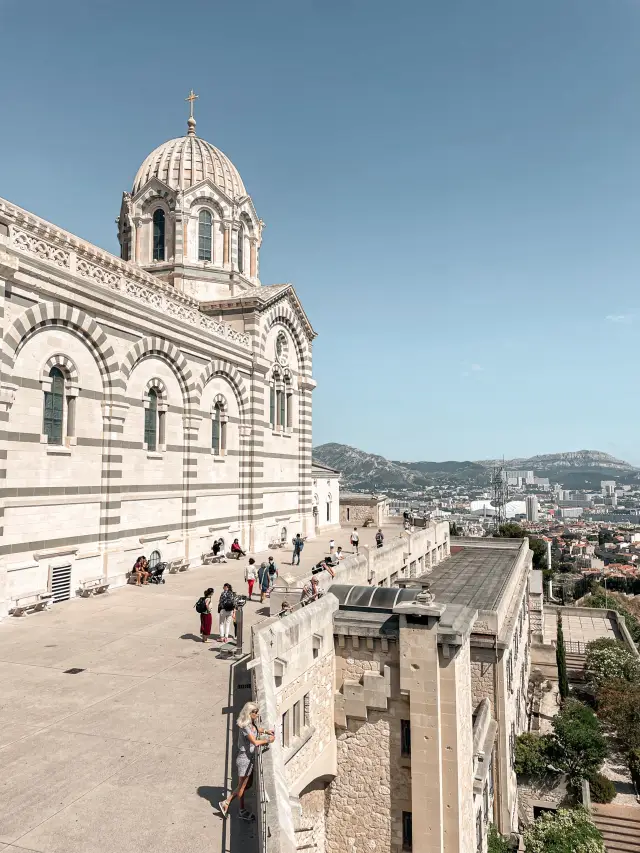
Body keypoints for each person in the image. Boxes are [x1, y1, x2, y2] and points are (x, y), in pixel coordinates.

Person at [219, 702, 275, 821]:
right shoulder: (245, 726)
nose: (257, 714)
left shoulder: (250, 724)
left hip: (248, 758)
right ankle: (236, 808)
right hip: (244, 759)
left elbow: (255, 730)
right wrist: (268, 740)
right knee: (242, 786)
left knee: (246, 785)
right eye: (255, 712)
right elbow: (254, 742)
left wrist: (266, 731)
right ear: (249, 713)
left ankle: (227, 803)